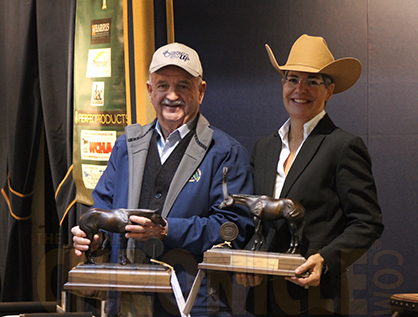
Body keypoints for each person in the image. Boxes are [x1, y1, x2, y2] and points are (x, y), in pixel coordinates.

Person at [71, 42, 254, 317]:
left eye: (183, 85)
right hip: (126, 303)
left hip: (194, 304)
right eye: (162, 86)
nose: (172, 96)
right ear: (149, 90)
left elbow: (233, 230)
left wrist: (168, 230)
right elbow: (103, 213)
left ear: (201, 91)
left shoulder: (225, 152)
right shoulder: (125, 147)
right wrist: (94, 239)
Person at [237, 34, 384, 316]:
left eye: (312, 81)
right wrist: (246, 257)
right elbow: (254, 218)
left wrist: (325, 259)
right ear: (283, 84)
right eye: (293, 79)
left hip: (316, 300)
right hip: (263, 301)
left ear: (329, 91)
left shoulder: (343, 146)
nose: (300, 89)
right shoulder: (264, 147)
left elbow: (367, 222)